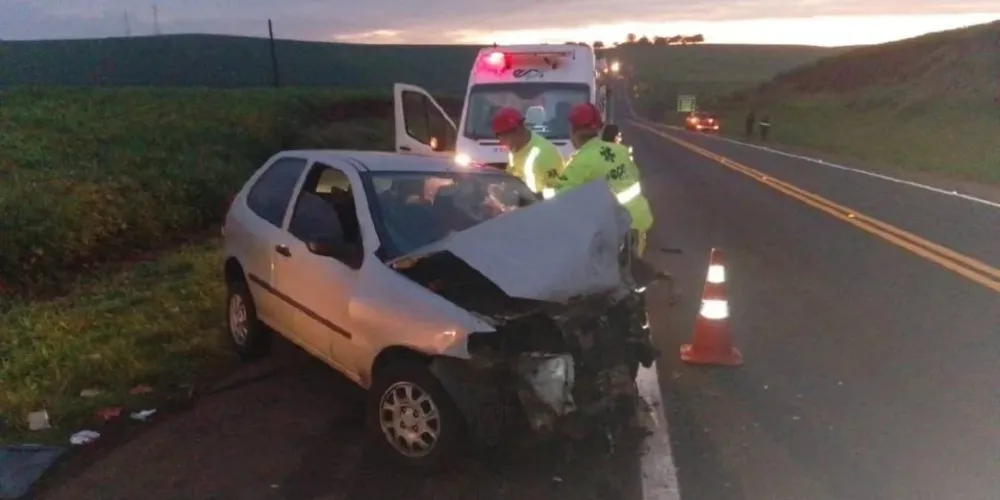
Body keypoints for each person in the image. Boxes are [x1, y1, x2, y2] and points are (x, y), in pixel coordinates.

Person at [553, 102, 654, 257]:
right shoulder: (621, 150)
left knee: (613, 276)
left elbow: (560, 201)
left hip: (614, 230)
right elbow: (633, 177)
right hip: (638, 220)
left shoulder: (580, 164)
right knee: (632, 271)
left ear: (572, 130)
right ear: (599, 128)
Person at [491, 107, 565, 198]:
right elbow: (513, 177)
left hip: (541, 208)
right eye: (498, 137)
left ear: (518, 130)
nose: (500, 142)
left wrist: (536, 198)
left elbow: (558, 189)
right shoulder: (514, 149)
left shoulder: (545, 153)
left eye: (503, 137)